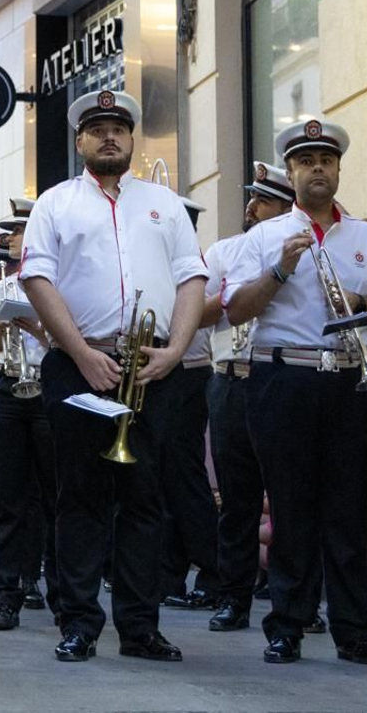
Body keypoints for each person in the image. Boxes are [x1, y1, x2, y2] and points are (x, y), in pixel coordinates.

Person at [19, 88, 206, 665]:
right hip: (81, 365)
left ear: (131, 139)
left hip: (152, 369)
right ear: (79, 141)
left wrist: (174, 351)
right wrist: (79, 354)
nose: (108, 136)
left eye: (118, 128)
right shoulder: (54, 203)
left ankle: (140, 627)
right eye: (97, 128)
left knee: (147, 501)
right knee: (80, 498)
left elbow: (191, 279)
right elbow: (37, 280)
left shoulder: (165, 204)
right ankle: (78, 623)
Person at [225, 118, 367, 666]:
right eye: (306, 162)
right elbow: (235, 309)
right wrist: (281, 269)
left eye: (325, 161)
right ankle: (287, 625)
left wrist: (364, 303)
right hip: (283, 379)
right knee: (290, 507)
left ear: (337, 170)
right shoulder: (263, 237)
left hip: (351, 380)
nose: (317, 170)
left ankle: (353, 631)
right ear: (290, 172)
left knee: (347, 509)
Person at [204, 162, 294, 632]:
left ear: (284, 209)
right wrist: (224, 297)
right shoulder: (224, 251)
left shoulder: (298, 248)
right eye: (251, 197)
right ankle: (233, 598)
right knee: (236, 499)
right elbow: (197, 313)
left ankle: (294, 602)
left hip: (276, 376)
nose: (251, 207)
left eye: (263, 200)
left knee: (288, 495)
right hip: (230, 379)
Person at [0, 198, 59, 632]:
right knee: (6, 498)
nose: (11, 239)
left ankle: (58, 591)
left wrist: (39, 330)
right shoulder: (4, 287)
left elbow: (66, 349)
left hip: (46, 388)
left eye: (20, 231)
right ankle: (4, 594)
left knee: (55, 496)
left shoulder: (57, 282)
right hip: (8, 385)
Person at [151, 194, 223, 613]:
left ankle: (213, 571)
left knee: (186, 477)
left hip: (190, 373)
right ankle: (170, 574)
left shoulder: (196, 268)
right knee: (163, 480)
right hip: (166, 373)